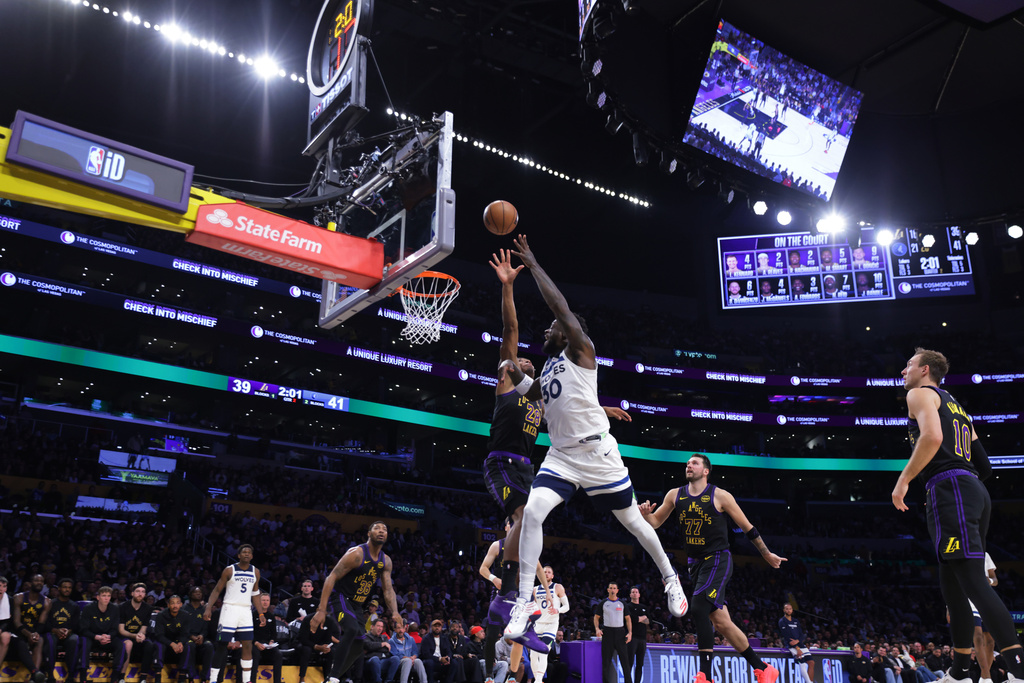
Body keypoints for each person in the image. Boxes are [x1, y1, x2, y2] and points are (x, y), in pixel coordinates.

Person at [499, 235, 687, 644]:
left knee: (636, 523)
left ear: (569, 333)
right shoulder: (550, 367)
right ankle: (525, 601)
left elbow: (559, 307)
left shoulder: (582, 349)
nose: (549, 328)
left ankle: (671, 579)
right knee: (532, 513)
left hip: (599, 455)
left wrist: (533, 264)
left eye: (554, 327)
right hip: (562, 457)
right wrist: (515, 375)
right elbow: (539, 396)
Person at [892, 348, 1024, 683]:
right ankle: (960, 673)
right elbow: (985, 466)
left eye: (908, 365)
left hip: (950, 489)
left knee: (973, 583)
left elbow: (933, 437)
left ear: (924, 370)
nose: (903, 371)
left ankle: (1019, 671)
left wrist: (904, 479)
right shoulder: (956, 404)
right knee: (952, 585)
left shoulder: (920, 394)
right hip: (970, 490)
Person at [639, 454, 784, 683]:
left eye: (694, 463)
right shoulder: (674, 495)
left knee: (698, 607)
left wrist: (765, 553)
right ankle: (763, 668)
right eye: (687, 463)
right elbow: (656, 522)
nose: (689, 465)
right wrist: (646, 516)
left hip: (718, 559)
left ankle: (705, 675)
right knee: (721, 623)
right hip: (695, 564)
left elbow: (748, 528)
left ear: (706, 471)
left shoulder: (720, 496)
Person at [310, 522, 402, 683]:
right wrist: (321, 610)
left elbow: (388, 590)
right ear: (368, 533)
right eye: (377, 528)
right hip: (338, 597)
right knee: (352, 629)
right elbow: (331, 577)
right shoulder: (357, 554)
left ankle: (331, 678)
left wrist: (394, 611)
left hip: (356, 604)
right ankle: (332, 677)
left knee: (360, 644)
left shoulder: (386, 561)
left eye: (385, 529)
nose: (381, 531)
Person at [203, 545, 265, 683]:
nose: (247, 554)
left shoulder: (256, 571)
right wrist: (208, 607)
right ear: (239, 555)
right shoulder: (229, 570)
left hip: (245, 610)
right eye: (244, 552)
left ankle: (247, 680)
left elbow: (255, 594)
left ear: (252, 556)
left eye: (249, 552)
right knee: (222, 644)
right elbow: (217, 590)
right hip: (229, 609)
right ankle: (213, 680)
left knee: (248, 644)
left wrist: (261, 613)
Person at [531, 567, 568, 683]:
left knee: (543, 651)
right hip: (538, 624)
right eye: (544, 572)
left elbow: (567, 606)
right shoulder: (535, 589)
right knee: (533, 655)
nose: (546, 574)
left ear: (552, 576)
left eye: (549, 572)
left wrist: (558, 610)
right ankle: (538, 679)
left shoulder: (558, 587)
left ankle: (538, 680)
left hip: (551, 625)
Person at [12, 573, 51, 683]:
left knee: (40, 640)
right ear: (30, 583)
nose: (39, 583)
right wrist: (29, 634)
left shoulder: (47, 601)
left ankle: (34, 678)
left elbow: (41, 623)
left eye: (41, 581)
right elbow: (16, 622)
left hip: (34, 631)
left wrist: (35, 634)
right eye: (36, 580)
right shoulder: (18, 597)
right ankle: (35, 673)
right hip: (19, 632)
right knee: (21, 642)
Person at [44, 578, 81, 683]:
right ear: (59, 588)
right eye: (64, 587)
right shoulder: (51, 603)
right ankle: (50, 675)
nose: (67, 590)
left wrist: (68, 631)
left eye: (69, 588)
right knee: (50, 640)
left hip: (68, 633)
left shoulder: (74, 606)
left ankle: (71, 676)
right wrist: (55, 630)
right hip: (52, 632)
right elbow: (45, 623)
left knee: (75, 639)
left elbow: (77, 625)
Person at [970, 552, 999, 683]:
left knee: (991, 641)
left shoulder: (985, 554)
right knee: (977, 636)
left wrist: (990, 581)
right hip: (970, 598)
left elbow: (995, 580)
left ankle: (983, 676)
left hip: (986, 599)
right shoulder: (962, 551)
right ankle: (986, 677)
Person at [594, 582, 632, 683]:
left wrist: (630, 632)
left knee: (625, 661)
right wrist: (597, 629)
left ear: (617, 590)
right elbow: (596, 617)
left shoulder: (623, 603)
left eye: (614, 588)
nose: (612, 590)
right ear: (608, 590)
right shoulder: (603, 603)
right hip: (608, 633)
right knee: (606, 662)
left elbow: (628, 619)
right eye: (610, 588)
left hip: (620, 633)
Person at [117, 583, 154, 683]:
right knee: (128, 644)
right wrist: (134, 635)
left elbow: (144, 627)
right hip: (124, 635)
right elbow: (121, 630)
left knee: (149, 645)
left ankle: (143, 678)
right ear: (132, 593)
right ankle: (121, 677)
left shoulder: (148, 608)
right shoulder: (123, 607)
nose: (140, 594)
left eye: (143, 592)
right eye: (137, 591)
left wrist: (141, 635)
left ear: (145, 594)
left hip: (138, 636)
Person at [79, 587, 118, 683]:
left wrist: (109, 636)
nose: (106, 598)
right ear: (98, 597)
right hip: (92, 637)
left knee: (120, 645)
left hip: (107, 638)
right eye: (104, 595)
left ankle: (115, 678)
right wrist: (96, 637)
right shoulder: (88, 608)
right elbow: (83, 630)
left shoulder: (115, 609)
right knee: (84, 641)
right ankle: (83, 678)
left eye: (108, 596)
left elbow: (115, 629)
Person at [154, 595, 196, 683]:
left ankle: (182, 676)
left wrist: (180, 642)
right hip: (166, 641)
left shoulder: (186, 615)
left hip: (179, 642)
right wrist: (172, 644)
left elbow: (185, 633)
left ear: (181, 604)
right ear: (168, 605)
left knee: (190, 644)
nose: (175, 605)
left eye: (177, 603)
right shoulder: (161, 615)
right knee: (158, 644)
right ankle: (158, 676)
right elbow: (159, 635)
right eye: (172, 603)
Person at [251, 594, 282, 683]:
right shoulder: (253, 615)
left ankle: (277, 681)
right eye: (263, 600)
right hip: (255, 643)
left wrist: (271, 642)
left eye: (267, 600)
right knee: (255, 654)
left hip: (267, 645)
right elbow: (249, 633)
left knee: (278, 654)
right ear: (259, 602)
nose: (265, 602)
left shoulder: (271, 616)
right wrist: (256, 643)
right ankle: (252, 681)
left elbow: (273, 634)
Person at [779, 603, 813, 683]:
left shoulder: (795, 621)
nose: (788, 610)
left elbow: (801, 634)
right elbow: (786, 636)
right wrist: (797, 648)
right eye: (787, 609)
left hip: (800, 643)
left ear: (792, 610)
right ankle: (809, 682)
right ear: (784, 610)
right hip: (792, 646)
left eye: (790, 609)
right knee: (802, 663)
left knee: (811, 662)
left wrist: (798, 641)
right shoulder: (782, 621)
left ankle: (810, 680)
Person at [626, 587, 649, 683]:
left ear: (639, 594)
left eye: (636, 592)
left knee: (640, 664)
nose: (635, 594)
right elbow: (631, 619)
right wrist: (642, 618)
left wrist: (639, 619)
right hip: (632, 638)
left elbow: (648, 621)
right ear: (630, 595)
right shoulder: (628, 606)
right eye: (633, 592)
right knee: (629, 663)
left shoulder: (644, 607)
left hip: (642, 639)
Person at [0, 576, 13, 671]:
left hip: (4, 628)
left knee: (5, 637)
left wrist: (1, 629)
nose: (1, 589)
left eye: (4, 586)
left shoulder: (10, 600)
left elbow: (9, 621)